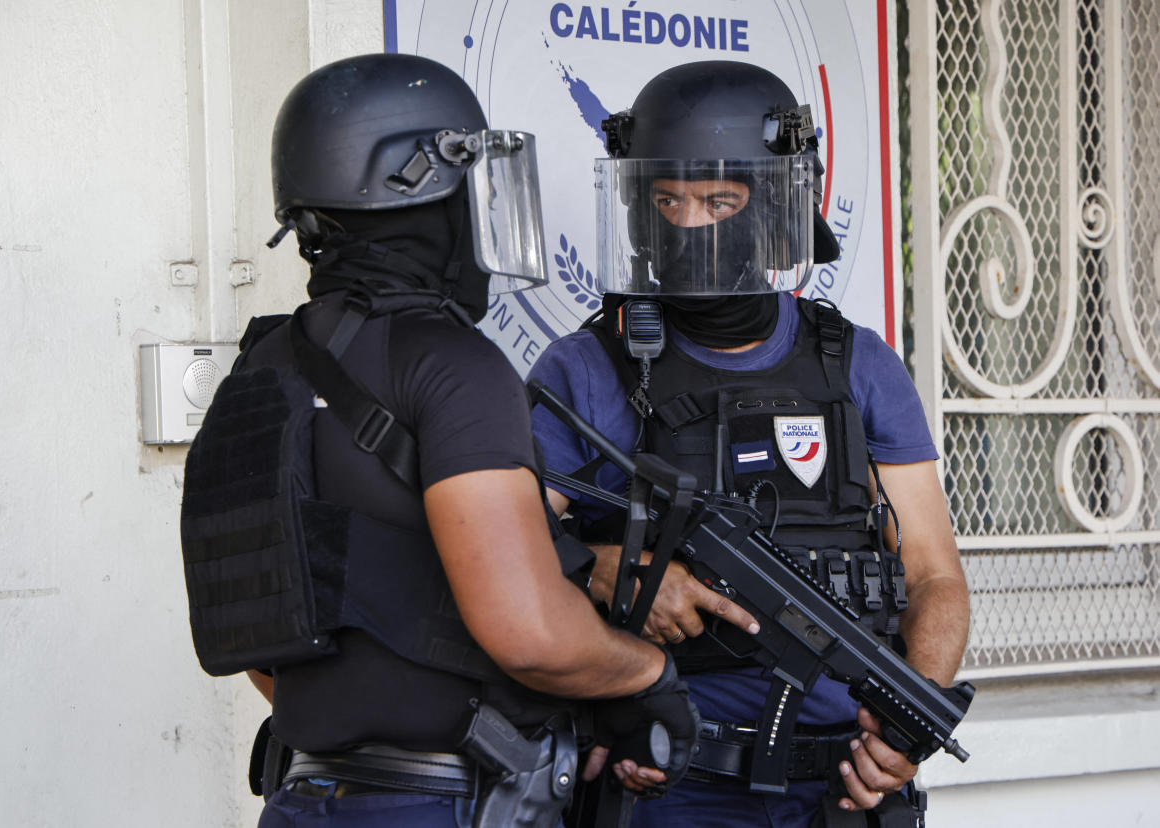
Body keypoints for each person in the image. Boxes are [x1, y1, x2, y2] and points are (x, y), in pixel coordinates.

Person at [181, 53, 699, 828]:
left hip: (303, 797)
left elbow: (256, 629)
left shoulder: (261, 368)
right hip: (440, 803)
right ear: (428, 189)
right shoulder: (452, 366)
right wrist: (646, 676)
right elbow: (527, 634)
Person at [527, 60, 970, 827]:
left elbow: (933, 574)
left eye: (719, 200)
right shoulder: (588, 366)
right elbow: (503, 553)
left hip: (841, 785)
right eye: (667, 200)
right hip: (667, 780)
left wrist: (905, 729)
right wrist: (609, 571)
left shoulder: (857, 363)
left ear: (770, 206)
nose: (692, 225)